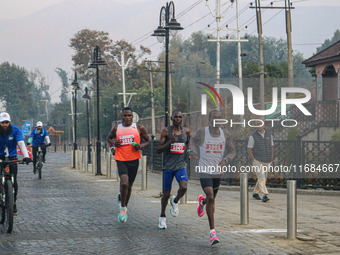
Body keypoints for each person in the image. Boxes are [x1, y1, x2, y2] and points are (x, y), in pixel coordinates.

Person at [190, 109, 236, 245]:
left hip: (217, 172)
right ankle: (212, 232)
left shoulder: (225, 134)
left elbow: (232, 151)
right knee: (210, 196)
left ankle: (202, 203)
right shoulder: (202, 132)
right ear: (209, 120)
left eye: (219, 118)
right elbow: (192, 140)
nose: (216, 119)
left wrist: (225, 160)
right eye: (214, 117)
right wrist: (192, 150)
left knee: (211, 199)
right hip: (204, 170)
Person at [107, 107, 150, 223]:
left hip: (134, 159)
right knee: (124, 183)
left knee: (129, 186)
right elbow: (109, 138)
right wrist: (112, 145)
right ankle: (122, 208)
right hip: (121, 158)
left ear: (132, 116)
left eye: (129, 116)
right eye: (125, 116)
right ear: (122, 116)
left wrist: (141, 146)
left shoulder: (139, 128)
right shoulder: (117, 128)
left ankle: (124, 202)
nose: (127, 118)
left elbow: (148, 141)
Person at [157, 110, 190, 230]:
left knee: (184, 187)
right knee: (166, 195)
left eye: (180, 117)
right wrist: (170, 142)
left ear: (182, 118)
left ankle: (175, 201)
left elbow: (187, 144)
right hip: (168, 167)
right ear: (171, 118)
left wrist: (189, 151)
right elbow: (158, 149)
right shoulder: (166, 131)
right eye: (175, 117)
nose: (177, 119)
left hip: (180, 165)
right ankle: (162, 216)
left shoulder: (186, 131)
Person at [0, 112, 31, 215]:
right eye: (2, 123)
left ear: (10, 122)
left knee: (14, 181)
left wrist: (26, 156)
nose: (5, 125)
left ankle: (13, 203)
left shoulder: (16, 130)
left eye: (6, 122)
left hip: (12, 157)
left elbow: (21, 143)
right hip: (0, 157)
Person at [247, 119, 274, 202]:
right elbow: (249, 149)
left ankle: (255, 193)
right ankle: (265, 195)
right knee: (261, 177)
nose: (259, 125)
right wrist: (253, 159)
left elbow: (272, 147)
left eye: (261, 124)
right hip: (257, 160)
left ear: (264, 125)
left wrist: (271, 159)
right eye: (258, 124)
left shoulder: (269, 135)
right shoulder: (252, 136)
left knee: (263, 178)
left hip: (267, 160)